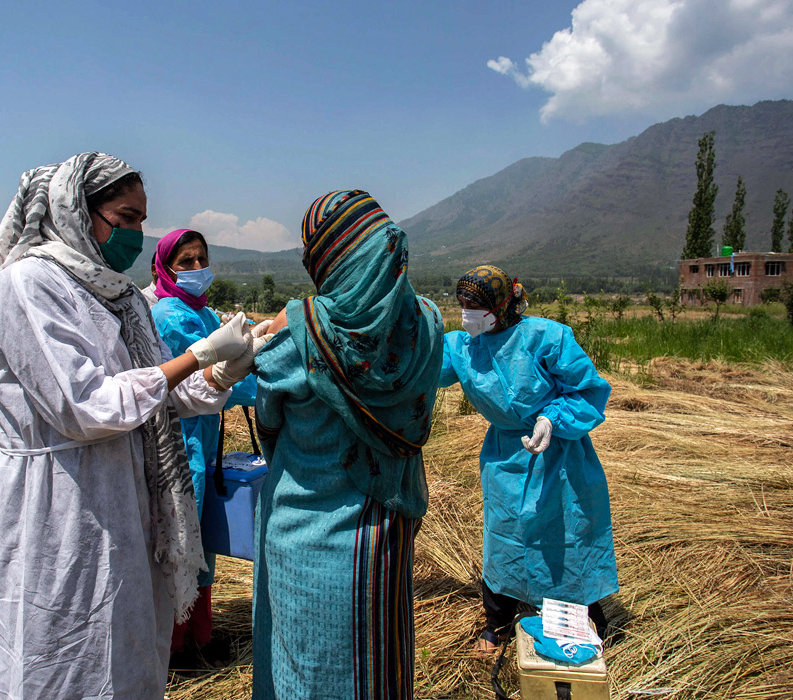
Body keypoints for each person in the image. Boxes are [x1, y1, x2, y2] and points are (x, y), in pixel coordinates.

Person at [0, 152, 259, 700]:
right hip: (63, 501)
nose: (136, 233)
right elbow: (83, 407)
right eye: (125, 217)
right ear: (74, 210)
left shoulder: (117, 296)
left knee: (124, 642)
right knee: (61, 646)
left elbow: (159, 396)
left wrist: (220, 371)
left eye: (142, 219)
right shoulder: (29, 284)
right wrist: (196, 355)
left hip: (126, 495)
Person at [252, 190, 444, 699]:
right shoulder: (427, 323)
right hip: (386, 530)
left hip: (305, 534)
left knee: (306, 668)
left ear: (326, 257)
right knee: (378, 661)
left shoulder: (299, 332)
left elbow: (268, 423)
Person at [438, 265, 618, 651]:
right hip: (504, 457)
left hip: (558, 456)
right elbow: (418, 367)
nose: (467, 311)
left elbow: (588, 392)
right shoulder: (462, 348)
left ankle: (583, 620)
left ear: (502, 305)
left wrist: (551, 419)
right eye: (462, 304)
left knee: (563, 536)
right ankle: (498, 621)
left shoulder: (547, 338)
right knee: (503, 535)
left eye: (476, 304)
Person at [149, 228, 264, 666]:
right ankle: (176, 645)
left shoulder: (200, 312)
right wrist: (253, 374)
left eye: (202, 259)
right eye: (186, 262)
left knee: (200, 541)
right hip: (179, 443)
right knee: (181, 539)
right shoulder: (171, 316)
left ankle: (201, 633)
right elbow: (205, 383)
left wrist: (256, 343)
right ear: (165, 266)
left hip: (203, 441)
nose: (198, 269)